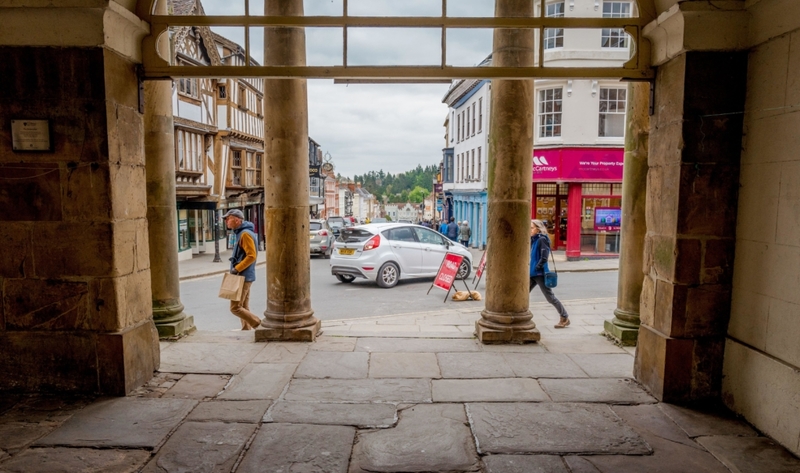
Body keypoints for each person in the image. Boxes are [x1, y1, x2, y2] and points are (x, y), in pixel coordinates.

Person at [223, 209, 262, 330]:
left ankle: (259, 324)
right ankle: (246, 329)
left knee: (235, 308)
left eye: (228, 219)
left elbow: (251, 255)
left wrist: (237, 268)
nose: (226, 222)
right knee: (244, 306)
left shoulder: (244, 234)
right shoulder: (242, 233)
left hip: (243, 276)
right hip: (245, 275)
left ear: (237, 220)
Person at [529, 219, 570, 328]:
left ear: (538, 229)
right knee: (522, 294)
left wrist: (537, 267)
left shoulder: (542, 239)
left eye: (532, 228)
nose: (530, 230)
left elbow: (544, 257)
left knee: (550, 297)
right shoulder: (533, 239)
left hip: (539, 273)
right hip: (532, 273)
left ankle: (564, 316)